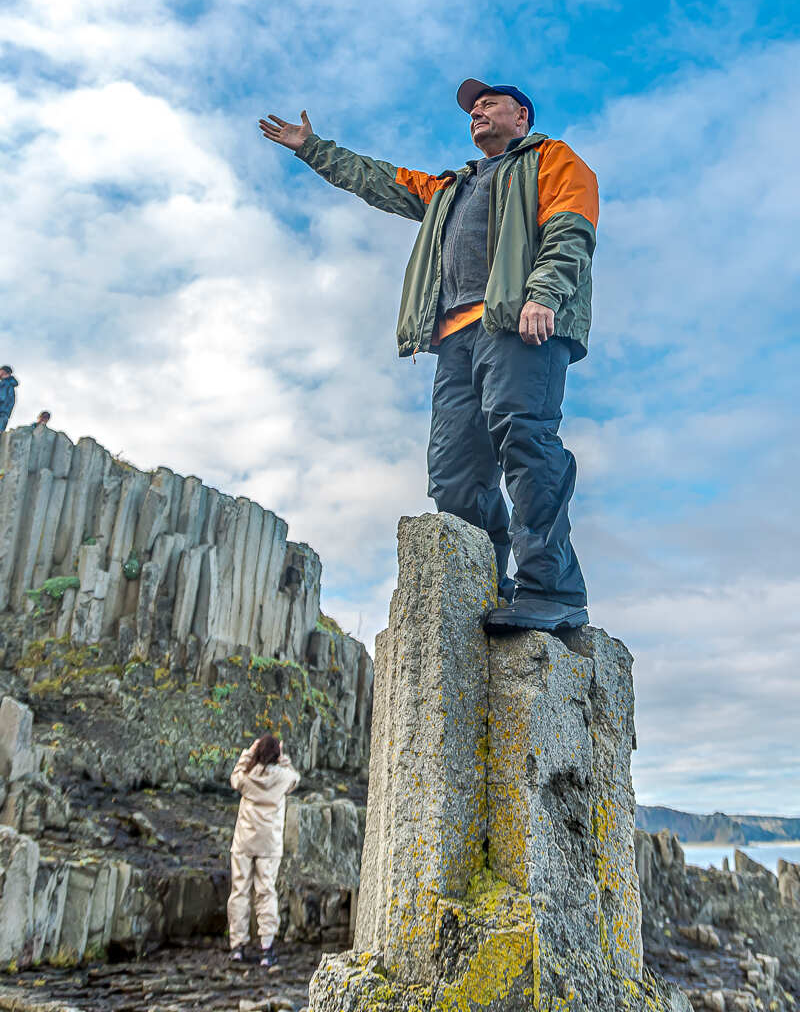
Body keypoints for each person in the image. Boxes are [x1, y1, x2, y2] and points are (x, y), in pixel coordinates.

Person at [259, 79, 598, 636]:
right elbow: (380, 180)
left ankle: (554, 589)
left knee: (526, 439)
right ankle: (486, 585)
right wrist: (313, 149)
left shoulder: (551, 159)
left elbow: (571, 229)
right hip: (457, 338)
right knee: (454, 476)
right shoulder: (451, 186)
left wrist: (544, 294)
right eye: (472, 109)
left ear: (523, 116)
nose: (477, 112)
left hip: (518, 321)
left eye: (489, 104)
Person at [227, 733, 300, 966]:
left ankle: (238, 946)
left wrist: (249, 752)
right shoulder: (283, 777)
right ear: (276, 755)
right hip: (269, 844)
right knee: (266, 892)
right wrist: (283, 757)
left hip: (244, 842)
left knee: (240, 892)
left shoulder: (247, 776)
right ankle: (266, 947)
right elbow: (295, 777)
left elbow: (234, 778)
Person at [0, 366, 18, 433]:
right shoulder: (9, 384)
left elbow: (2, 397)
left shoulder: (6, 383)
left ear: (4, 372)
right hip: (4, 414)